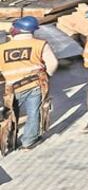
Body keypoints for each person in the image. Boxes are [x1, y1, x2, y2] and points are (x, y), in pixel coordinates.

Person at [0, 17, 57, 150]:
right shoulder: (40, 44)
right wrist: (47, 76)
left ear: (17, 30)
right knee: (33, 113)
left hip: (11, 88)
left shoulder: (2, 48)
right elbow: (53, 63)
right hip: (35, 85)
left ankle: (8, 143)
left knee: (10, 114)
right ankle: (29, 141)